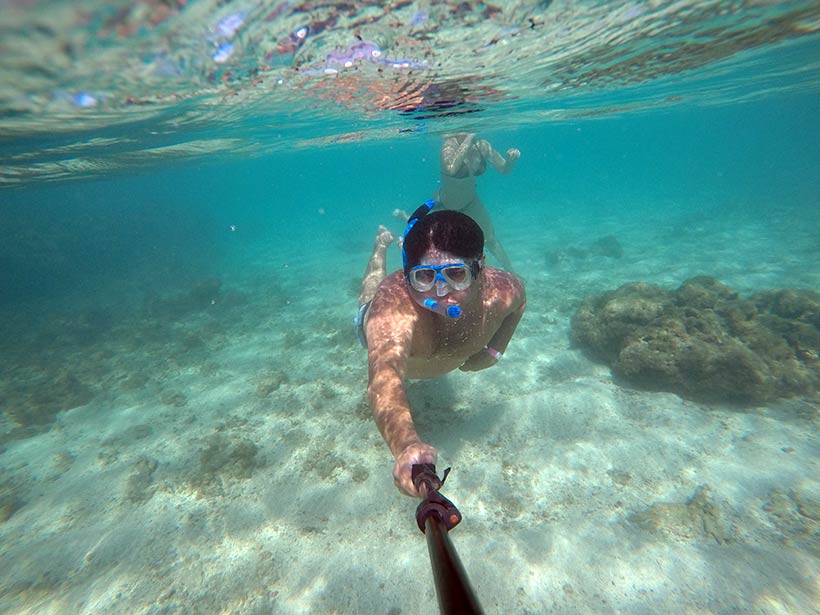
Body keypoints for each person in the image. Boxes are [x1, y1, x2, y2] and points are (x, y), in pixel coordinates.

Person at [355, 201, 526, 497]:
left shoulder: (503, 289)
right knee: (371, 289)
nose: (442, 292)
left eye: (456, 274)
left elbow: (520, 302)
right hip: (374, 317)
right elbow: (385, 377)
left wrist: (496, 350)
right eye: (424, 277)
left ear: (480, 265)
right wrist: (406, 446)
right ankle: (380, 248)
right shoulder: (391, 310)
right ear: (408, 274)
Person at [437, 133, 520, 272]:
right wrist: (468, 139)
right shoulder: (449, 145)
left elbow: (504, 170)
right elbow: (451, 168)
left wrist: (511, 160)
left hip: (471, 202)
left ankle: (512, 273)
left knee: (490, 240)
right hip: (446, 206)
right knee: (443, 247)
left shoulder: (481, 145)